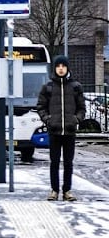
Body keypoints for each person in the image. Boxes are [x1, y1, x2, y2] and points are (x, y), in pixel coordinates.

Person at [37, 55, 85, 202]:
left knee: (69, 163)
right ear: (55, 68)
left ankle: (67, 190)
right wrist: (48, 120)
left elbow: (82, 108)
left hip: (69, 131)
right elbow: (41, 107)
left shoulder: (76, 87)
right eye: (58, 66)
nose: (61, 69)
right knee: (54, 162)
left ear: (67, 68)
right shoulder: (48, 87)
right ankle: (54, 190)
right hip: (54, 131)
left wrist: (76, 119)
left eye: (63, 66)